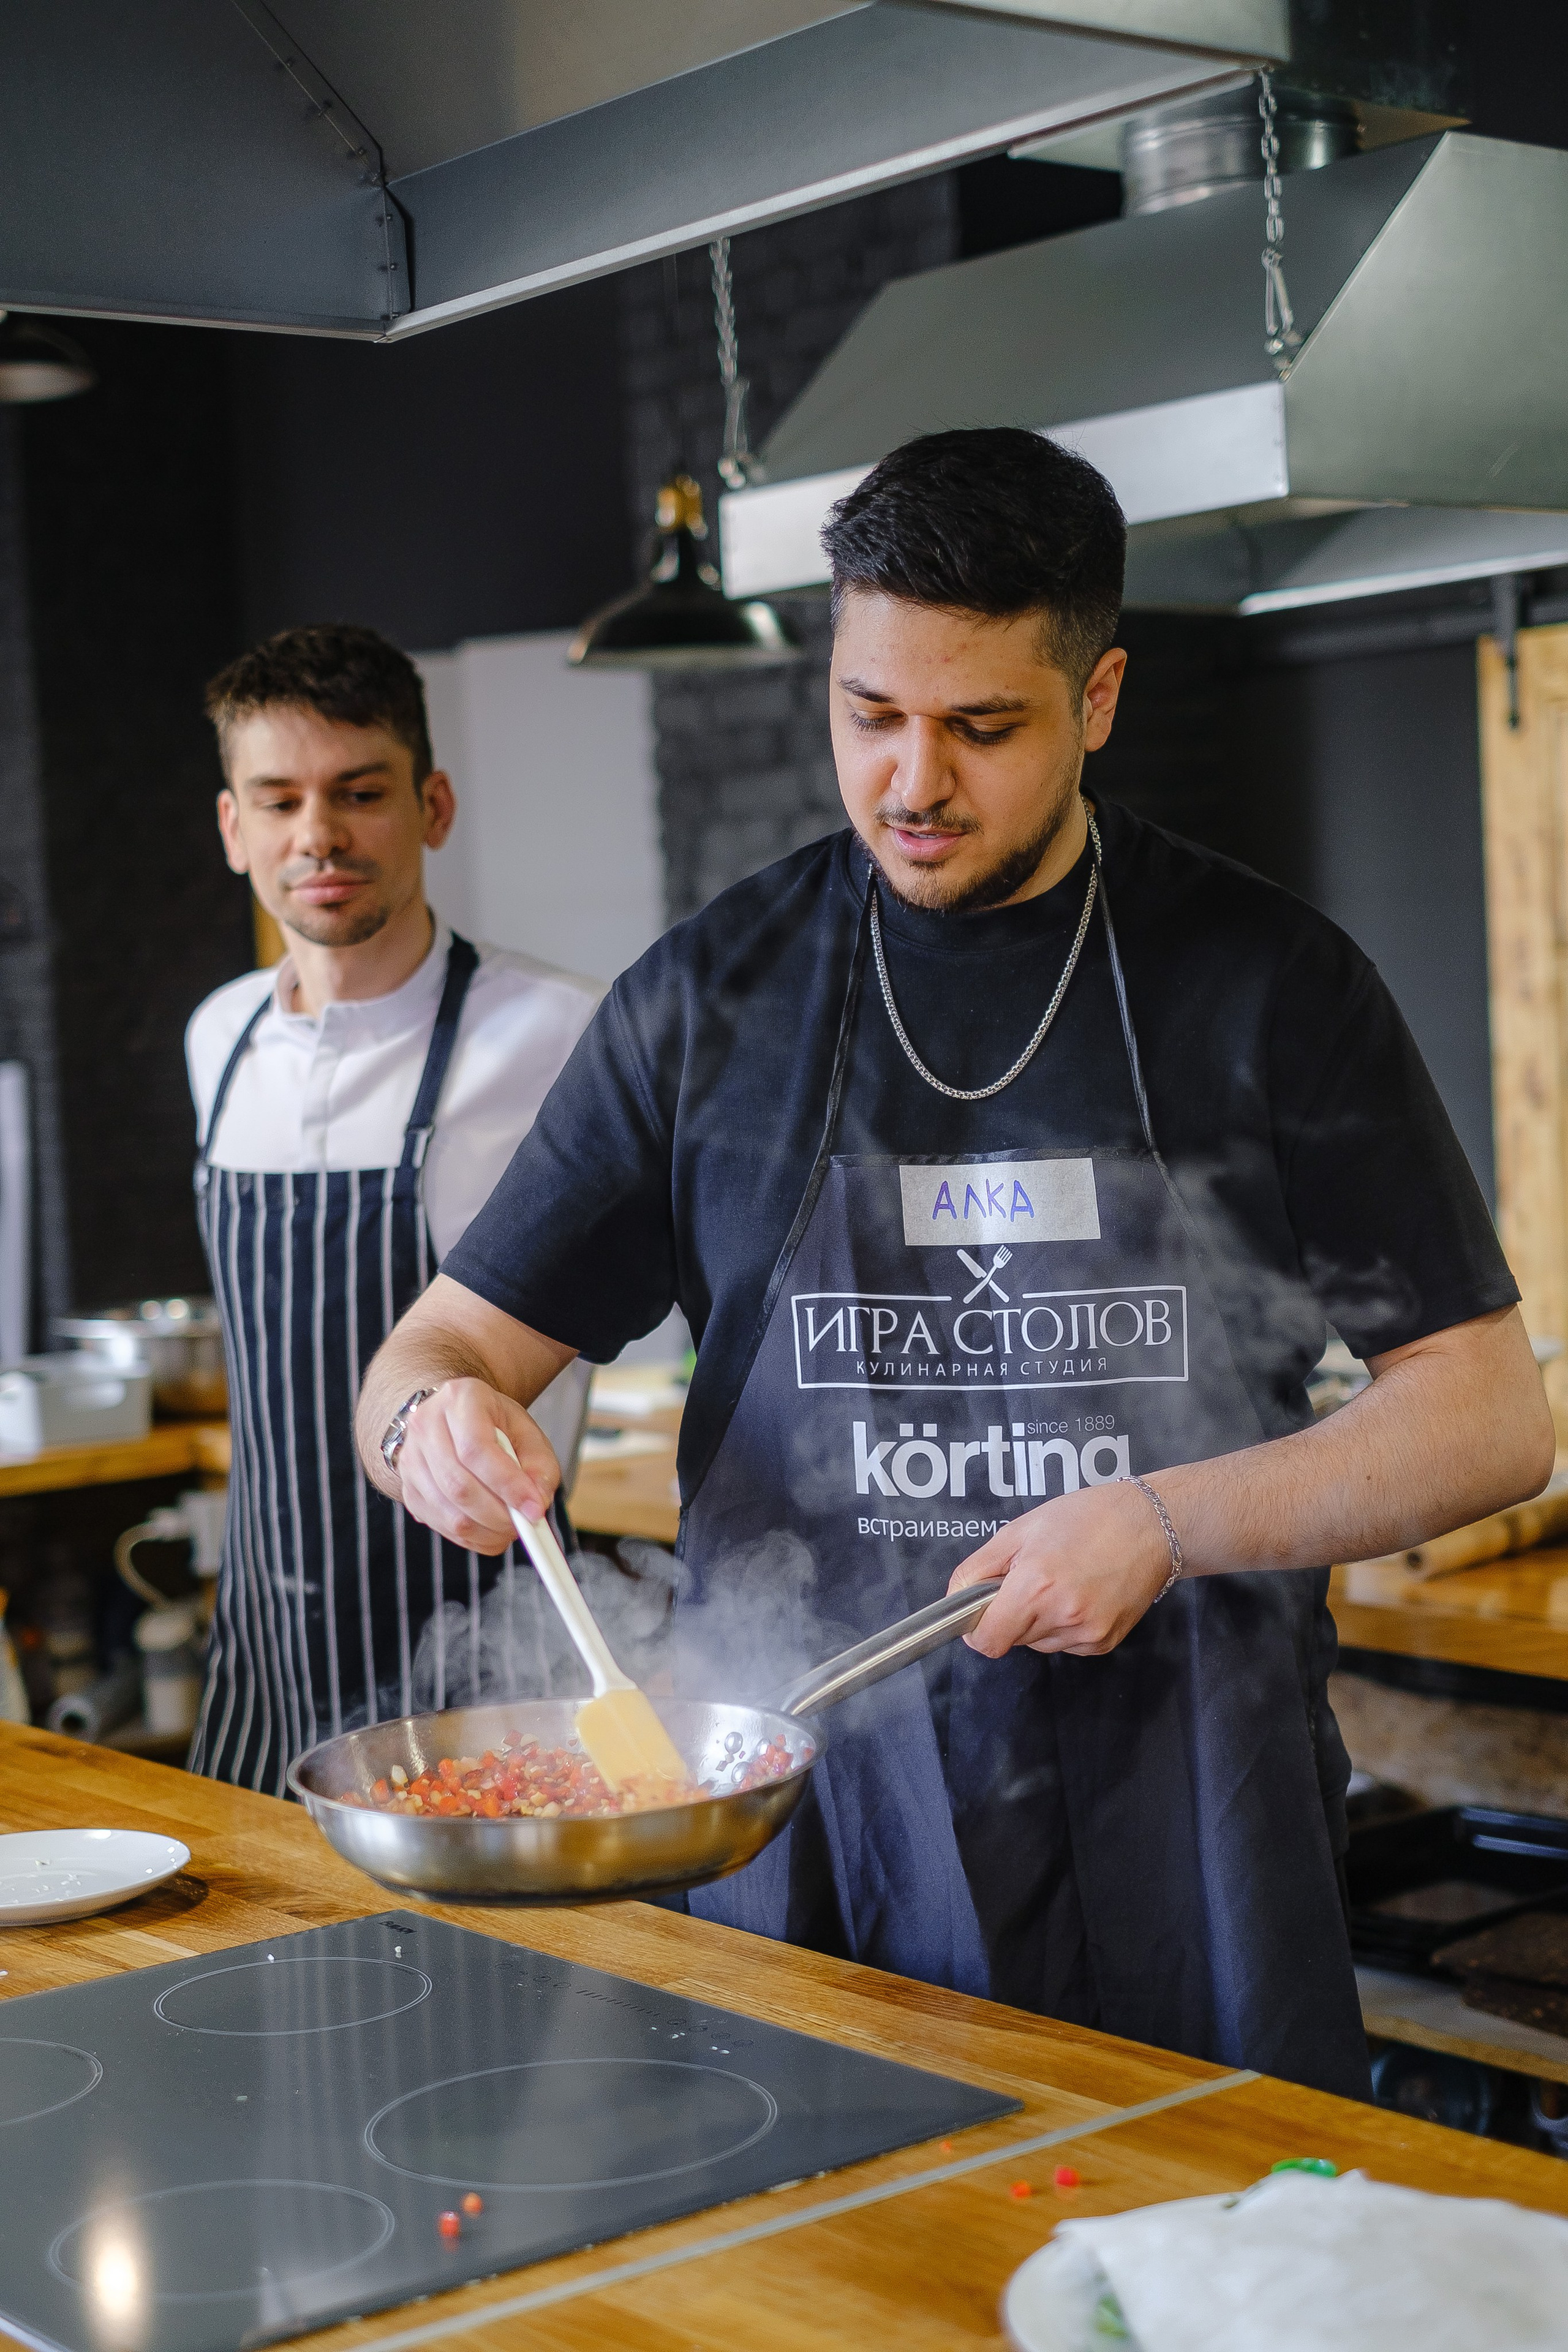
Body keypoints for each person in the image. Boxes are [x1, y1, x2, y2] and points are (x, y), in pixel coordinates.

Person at [353, 432, 1552, 2097]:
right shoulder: (710, 1002)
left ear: (1102, 698)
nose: (912, 782)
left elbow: (1491, 1421)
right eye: (870, 715)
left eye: (982, 727)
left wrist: (1161, 1519)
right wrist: (432, 1425)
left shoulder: (1271, 985)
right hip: (821, 1822)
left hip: (1192, 1810)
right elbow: (434, 1355)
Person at [186, 623, 599, 1793]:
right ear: (234, 828)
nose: (316, 833)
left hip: (492, 1640)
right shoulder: (215, 1042)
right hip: (268, 1648)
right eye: (276, 801)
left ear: (433, 805)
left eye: (358, 793)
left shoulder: (559, 1031)